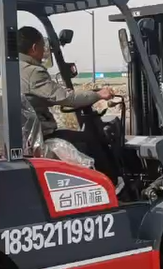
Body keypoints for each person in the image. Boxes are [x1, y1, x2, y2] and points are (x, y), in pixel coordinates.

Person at [18, 26, 117, 174]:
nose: (44, 51)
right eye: (42, 47)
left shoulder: (12, 69)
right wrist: (98, 95)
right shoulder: (32, 72)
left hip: (24, 138)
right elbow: (66, 97)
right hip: (40, 137)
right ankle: (110, 180)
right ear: (34, 48)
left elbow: (43, 97)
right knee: (91, 140)